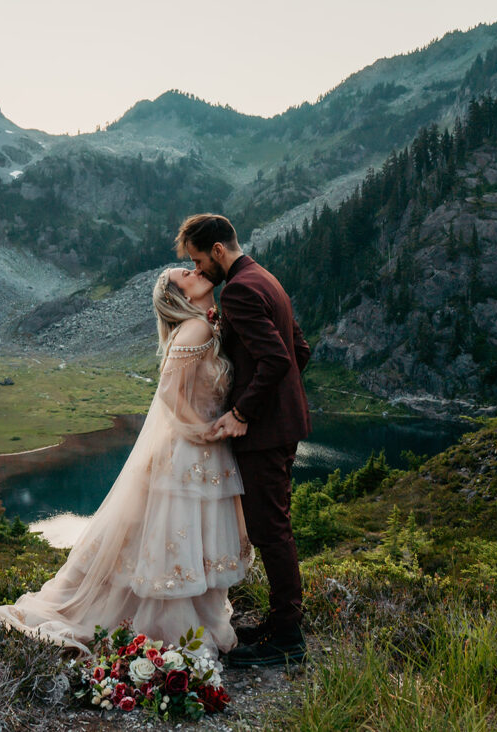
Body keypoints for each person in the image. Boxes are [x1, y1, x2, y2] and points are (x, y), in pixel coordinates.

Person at [0, 267, 252, 655]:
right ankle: (172, 628)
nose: (194, 270)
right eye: (184, 273)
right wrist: (198, 431)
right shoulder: (196, 329)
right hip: (189, 453)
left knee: (179, 542)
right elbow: (168, 388)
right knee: (178, 541)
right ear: (176, 295)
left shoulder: (204, 326)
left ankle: (180, 623)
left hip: (201, 455)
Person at [176, 213, 311, 667]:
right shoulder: (264, 277)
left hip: (264, 433)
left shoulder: (238, 288)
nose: (199, 270)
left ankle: (288, 638)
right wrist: (280, 401)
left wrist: (242, 412)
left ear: (217, 250)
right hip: (279, 427)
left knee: (271, 531)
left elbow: (276, 359)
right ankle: (279, 622)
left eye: (198, 260)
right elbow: (300, 350)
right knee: (272, 526)